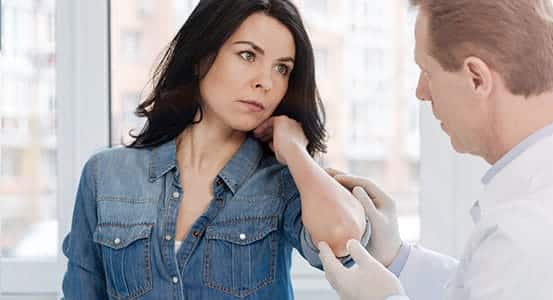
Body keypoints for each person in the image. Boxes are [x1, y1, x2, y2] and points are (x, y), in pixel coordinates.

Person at [317, 0, 553, 299]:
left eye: (428, 71)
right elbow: (488, 284)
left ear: (476, 78)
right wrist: (398, 259)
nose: (421, 92)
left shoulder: (530, 229)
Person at [61, 1, 368, 299]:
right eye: (248, 55)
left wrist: (296, 150)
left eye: (282, 69)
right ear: (201, 56)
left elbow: (344, 240)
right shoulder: (105, 175)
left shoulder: (283, 181)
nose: (266, 82)